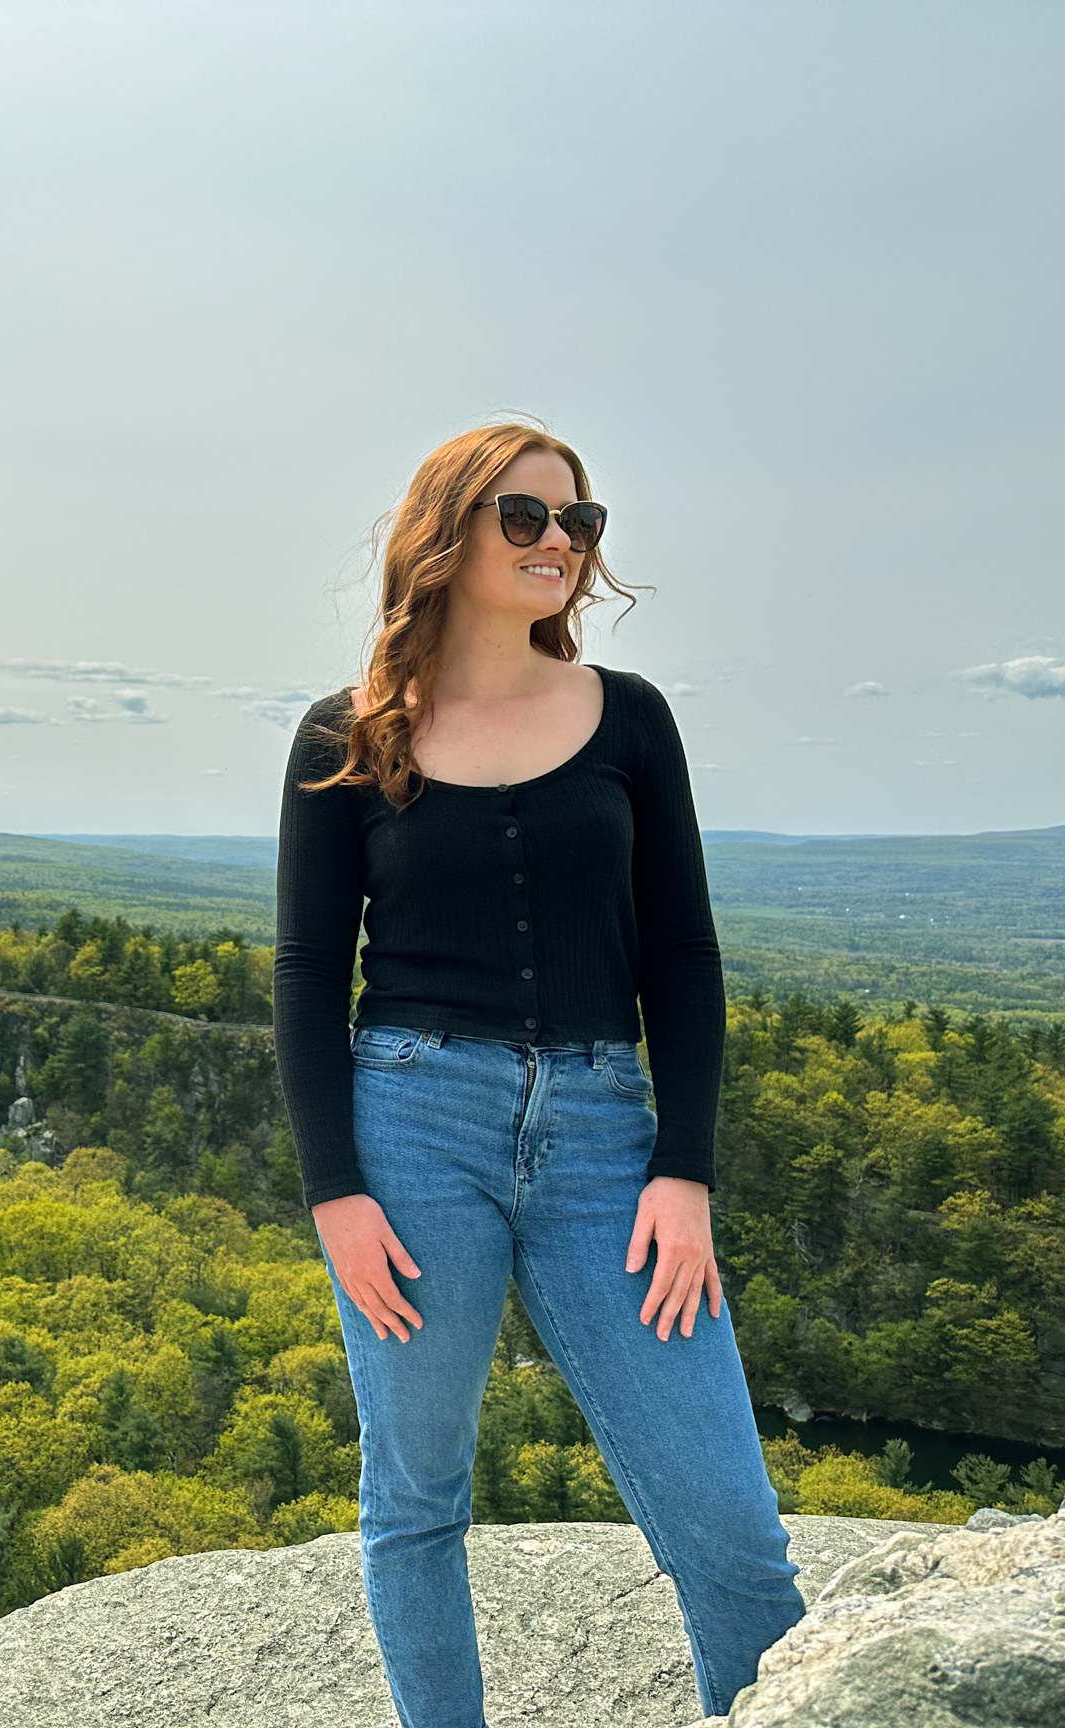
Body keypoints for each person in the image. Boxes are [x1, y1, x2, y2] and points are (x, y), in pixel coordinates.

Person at [271, 422, 806, 1726]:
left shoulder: (630, 721)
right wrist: (336, 1193)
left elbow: (681, 954)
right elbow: (303, 974)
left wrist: (685, 1170)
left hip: (607, 1142)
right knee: (415, 1500)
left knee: (730, 1524)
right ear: (445, 536)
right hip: (409, 1132)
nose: (562, 542)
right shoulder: (344, 735)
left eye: (582, 521)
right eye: (526, 517)